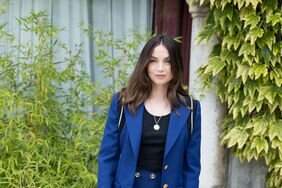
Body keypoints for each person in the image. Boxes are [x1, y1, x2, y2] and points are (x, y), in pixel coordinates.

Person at [98, 34, 201, 188]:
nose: (160, 68)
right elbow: (107, 157)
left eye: (168, 62)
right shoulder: (123, 103)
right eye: (153, 61)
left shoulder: (191, 109)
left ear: (176, 65)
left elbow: (191, 167)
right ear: (145, 64)